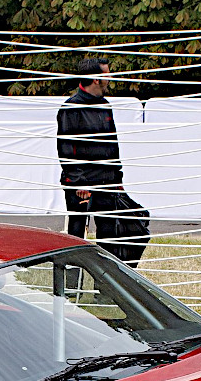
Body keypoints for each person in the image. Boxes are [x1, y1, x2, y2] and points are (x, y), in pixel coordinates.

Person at [57, 58, 149, 267]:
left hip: (107, 182)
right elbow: (66, 148)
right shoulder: (71, 108)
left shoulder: (105, 106)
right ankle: (72, 281)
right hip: (81, 186)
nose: (110, 78)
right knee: (76, 237)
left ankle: (105, 281)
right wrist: (79, 183)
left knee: (111, 235)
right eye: (107, 75)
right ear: (96, 79)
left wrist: (117, 178)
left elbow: (111, 145)